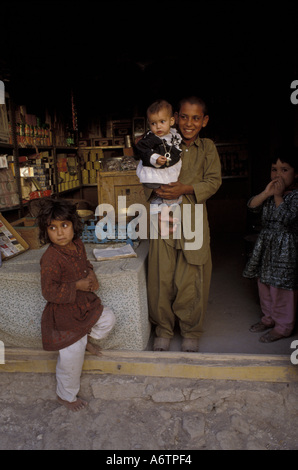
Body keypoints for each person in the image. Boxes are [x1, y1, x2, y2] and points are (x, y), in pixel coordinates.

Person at [144, 96, 222, 352]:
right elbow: (145, 165)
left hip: (193, 217)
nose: (190, 123)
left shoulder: (207, 147)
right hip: (163, 214)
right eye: (185, 117)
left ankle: (190, 329)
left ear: (204, 121)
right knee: (161, 274)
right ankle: (163, 329)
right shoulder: (162, 138)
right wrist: (157, 189)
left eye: (196, 118)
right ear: (176, 117)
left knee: (192, 275)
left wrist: (185, 188)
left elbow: (213, 181)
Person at [37, 198, 115, 411]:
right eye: (52, 228)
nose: (60, 233)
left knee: (108, 318)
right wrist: (77, 285)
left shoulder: (78, 244)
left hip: (84, 306)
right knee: (71, 360)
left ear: (74, 225)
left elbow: (86, 263)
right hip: (64, 314)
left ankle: (85, 338)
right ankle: (66, 396)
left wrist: (90, 274)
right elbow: (49, 291)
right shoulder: (51, 258)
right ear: (46, 232)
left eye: (64, 225)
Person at [243, 146, 298, 342]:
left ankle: (283, 327)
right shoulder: (270, 193)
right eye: (274, 169)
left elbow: (286, 218)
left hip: (286, 249)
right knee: (264, 283)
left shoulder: (294, 196)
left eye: (284, 170)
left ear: (296, 173)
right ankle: (268, 319)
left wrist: (277, 196)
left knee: (281, 287)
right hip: (266, 246)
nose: (278, 174)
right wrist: (267, 194)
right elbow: (252, 206)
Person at [136, 100, 183, 236]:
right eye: (153, 123)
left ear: (172, 121)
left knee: (165, 198)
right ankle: (163, 218)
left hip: (164, 174)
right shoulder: (151, 137)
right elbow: (142, 148)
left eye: (162, 121)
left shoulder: (173, 135)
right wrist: (155, 157)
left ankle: (163, 221)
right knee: (164, 195)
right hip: (154, 175)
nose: (158, 127)